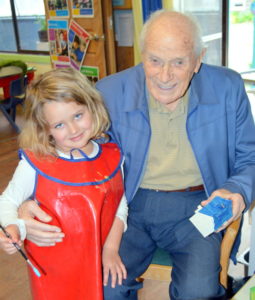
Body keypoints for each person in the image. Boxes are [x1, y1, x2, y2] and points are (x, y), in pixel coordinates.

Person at [18, 10, 255, 300]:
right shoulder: (110, 91)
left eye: (178, 62)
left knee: (199, 292)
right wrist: (28, 201)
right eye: (154, 61)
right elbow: (67, 148)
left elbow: (249, 157)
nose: (164, 76)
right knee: (105, 286)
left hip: (197, 205)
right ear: (142, 54)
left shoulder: (228, 87)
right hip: (127, 205)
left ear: (198, 59)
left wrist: (236, 191)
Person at [0, 68, 128, 300]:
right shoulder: (35, 163)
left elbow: (119, 206)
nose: (73, 130)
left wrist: (110, 249)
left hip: (95, 255)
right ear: (44, 129)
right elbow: (7, 201)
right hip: (52, 267)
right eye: (59, 125)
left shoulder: (112, 157)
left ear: (92, 106)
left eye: (78, 116)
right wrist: (13, 227)